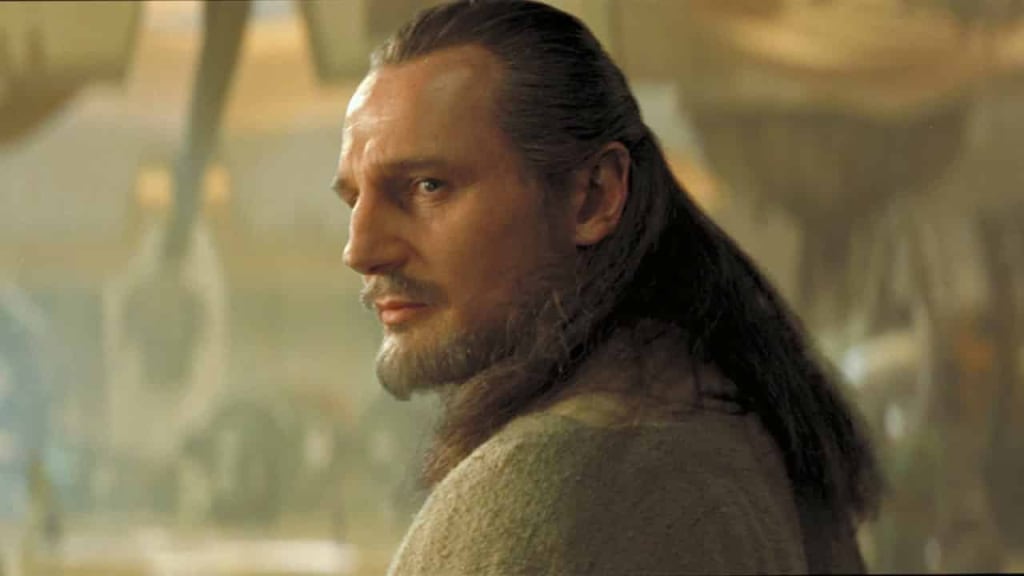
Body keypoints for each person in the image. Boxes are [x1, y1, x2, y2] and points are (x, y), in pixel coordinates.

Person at [331, 1, 882, 573]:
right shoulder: (732, 420)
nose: (361, 250)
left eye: (427, 186)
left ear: (594, 196)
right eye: (353, 200)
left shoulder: (544, 488)